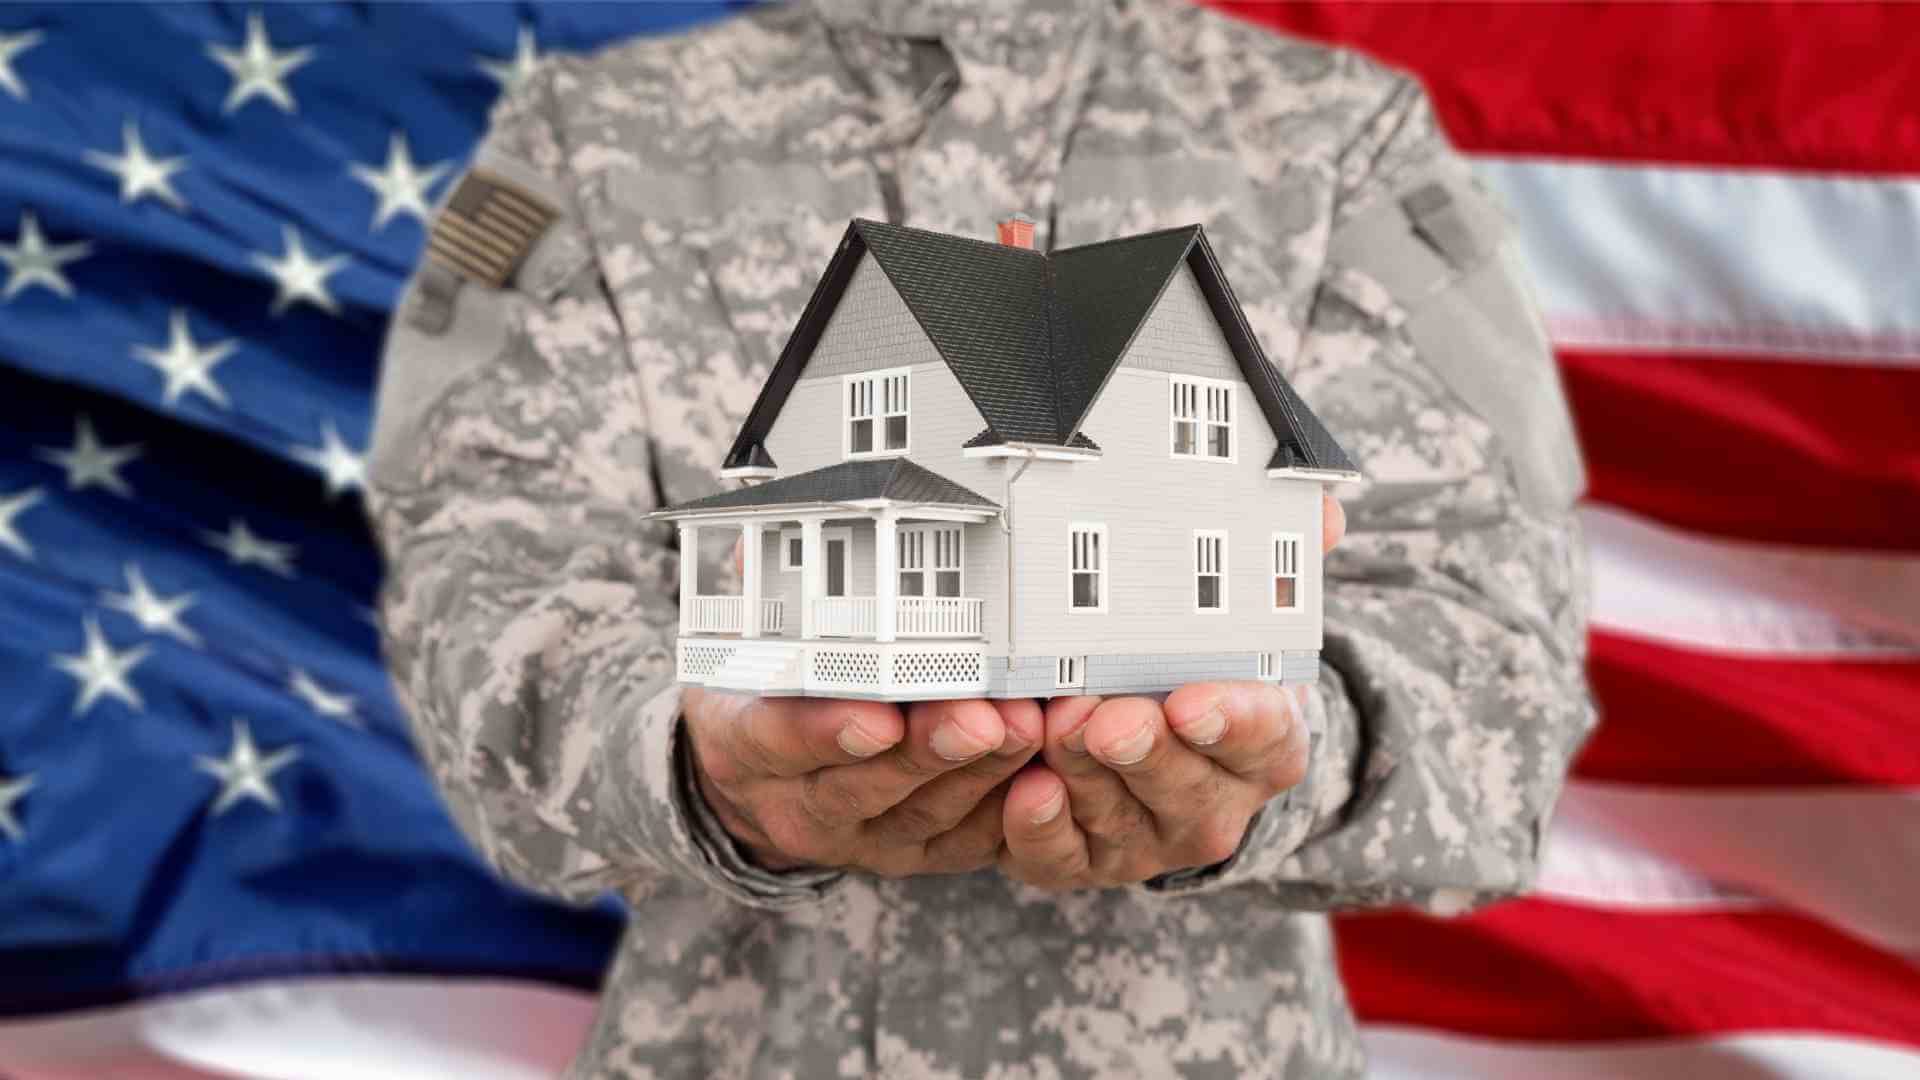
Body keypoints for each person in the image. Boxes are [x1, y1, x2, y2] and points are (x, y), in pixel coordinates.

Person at [364, 0, 1597, 1075]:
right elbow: (478, 576)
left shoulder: (1338, 142)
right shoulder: (596, 140)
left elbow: (1501, 652)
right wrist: (683, 750)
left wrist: (1294, 749)